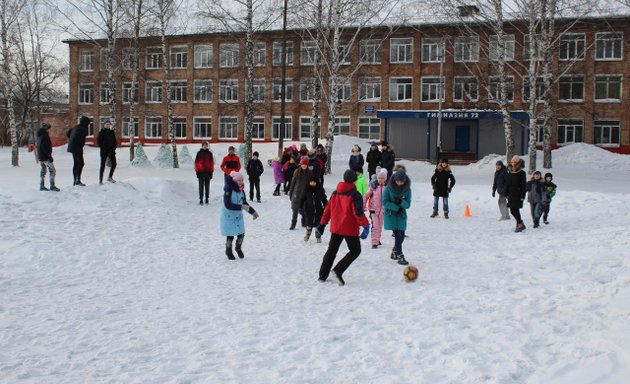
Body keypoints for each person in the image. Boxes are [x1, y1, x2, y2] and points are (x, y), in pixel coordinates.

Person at [316, 169, 370, 285]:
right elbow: (358, 213)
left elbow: (327, 210)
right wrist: (366, 225)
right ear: (354, 181)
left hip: (336, 227)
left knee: (331, 251)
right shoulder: (355, 195)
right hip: (349, 228)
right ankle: (337, 271)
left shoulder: (335, 193)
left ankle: (322, 275)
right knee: (355, 250)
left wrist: (322, 224)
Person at [220, 171, 259, 260]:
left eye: (242, 180)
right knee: (230, 235)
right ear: (234, 181)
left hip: (238, 216)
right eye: (239, 180)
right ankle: (228, 250)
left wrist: (253, 212)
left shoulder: (241, 191)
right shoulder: (228, 190)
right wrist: (241, 207)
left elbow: (244, 203)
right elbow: (227, 204)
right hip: (228, 216)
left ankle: (238, 248)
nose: (241, 182)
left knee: (241, 233)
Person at [383, 166, 412, 265]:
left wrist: (401, 202)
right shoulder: (388, 188)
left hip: (401, 215)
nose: (399, 183)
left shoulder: (407, 190)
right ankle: (400, 255)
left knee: (402, 236)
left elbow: (408, 204)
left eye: (401, 182)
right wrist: (395, 206)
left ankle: (394, 252)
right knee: (397, 235)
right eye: (398, 181)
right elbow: (385, 201)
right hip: (391, 214)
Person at [363, 168, 388, 248]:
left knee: (380, 226)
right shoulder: (373, 187)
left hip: (382, 211)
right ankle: (374, 242)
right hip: (373, 210)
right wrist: (363, 204)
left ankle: (378, 239)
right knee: (375, 226)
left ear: (385, 179)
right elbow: (366, 196)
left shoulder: (386, 189)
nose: (381, 180)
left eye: (382, 178)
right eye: (379, 178)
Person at [288, 157, 313, 230]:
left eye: (305, 164)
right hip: (297, 194)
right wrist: (291, 193)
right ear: (300, 165)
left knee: (305, 210)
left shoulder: (310, 173)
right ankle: (293, 224)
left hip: (305, 194)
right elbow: (293, 183)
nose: (304, 166)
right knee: (295, 210)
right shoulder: (297, 172)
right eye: (303, 164)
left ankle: (304, 222)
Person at [35, 123, 60, 192]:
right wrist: (49, 156)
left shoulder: (39, 135)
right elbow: (45, 147)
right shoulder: (45, 136)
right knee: (52, 170)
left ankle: (41, 185)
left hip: (41, 156)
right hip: (45, 157)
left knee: (43, 170)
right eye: (49, 129)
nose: (50, 130)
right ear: (47, 129)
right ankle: (52, 186)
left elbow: (39, 146)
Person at [303, 176, 328, 242]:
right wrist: (301, 207)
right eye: (311, 182)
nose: (312, 183)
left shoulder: (320, 190)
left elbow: (324, 199)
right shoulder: (306, 189)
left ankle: (318, 236)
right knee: (309, 223)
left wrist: (326, 206)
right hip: (309, 209)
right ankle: (307, 235)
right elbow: (302, 199)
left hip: (318, 209)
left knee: (318, 224)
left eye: (314, 182)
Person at [67, 115, 90, 186]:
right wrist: (80, 143)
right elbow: (79, 138)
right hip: (77, 148)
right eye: (88, 123)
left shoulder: (76, 127)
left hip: (72, 147)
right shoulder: (83, 128)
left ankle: (75, 180)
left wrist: (71, 140)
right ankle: (77, 180)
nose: (89, 125)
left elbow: (68, 133)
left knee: (76, 164)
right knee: (81, 163)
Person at [506, 155, 527, 232]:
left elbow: (524, 185)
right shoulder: (510, 171)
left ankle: (520, 224)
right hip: (511, 193)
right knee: (512, 210)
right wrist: (506, 193)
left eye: (515, 162)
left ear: (518, 162)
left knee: (515, 209)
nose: (513, 163)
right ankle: (520, 222)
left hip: (518, 193)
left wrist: (522, 195)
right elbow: (508, 183)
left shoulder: (522, 172)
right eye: (512, 162)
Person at [96, 119, 118, 185]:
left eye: (109, 124)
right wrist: (105, 149)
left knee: (114, 164)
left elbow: (115, 142)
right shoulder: (101, 132)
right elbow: (99, 143)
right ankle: (100, 180)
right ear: (104, 125)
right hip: (104, 151)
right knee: (102, 165)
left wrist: (113, 148)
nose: (108, 125)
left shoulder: (112, 132)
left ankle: (110, 177)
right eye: (106, 124)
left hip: (111, 151)